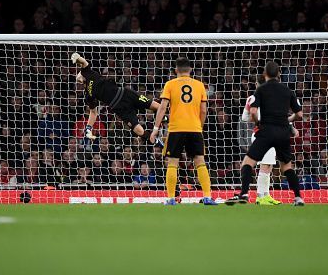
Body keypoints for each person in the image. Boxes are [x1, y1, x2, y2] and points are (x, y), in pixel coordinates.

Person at [225, 61, 305, 206]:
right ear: (279, 74)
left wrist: (257, 123)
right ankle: (298, 197)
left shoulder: (260, 90)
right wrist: (288, 121)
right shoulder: (287, 90)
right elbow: (299, 114)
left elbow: (253, 112)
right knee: (286, 167)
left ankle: (244, 193)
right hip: (282, 132)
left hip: (266, 131)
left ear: (265, 74)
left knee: (248, 163)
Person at [150, 56, 217, 205]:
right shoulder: (200, 85)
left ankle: (171, 198)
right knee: (200, 161)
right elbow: (204, 110)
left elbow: (162, 108)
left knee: (172, 162)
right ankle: (207, 196)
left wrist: (155, 129)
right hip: (194, 129)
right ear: (191, 70)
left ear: (176, 70)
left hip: (175, 129)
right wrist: (199, 127)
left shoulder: (170, 84)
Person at [70, 52, 164, 147]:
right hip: (118, 107)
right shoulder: (88, 96)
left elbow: (84, 62)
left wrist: (77, 58)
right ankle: (154, 139)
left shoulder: (89, 74)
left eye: (78, 74)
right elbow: (93, 113)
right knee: (138, 131)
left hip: (125, 94)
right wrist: (88, 128)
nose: (77, 77)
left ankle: (167, 118)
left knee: (157, 106)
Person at [241, 75, 299, 205]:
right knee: (265, 166)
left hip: (267, 133)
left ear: (257, 84)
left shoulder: (253, 97)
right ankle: (261, 196)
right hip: (263, 134)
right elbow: (280, 117)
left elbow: (245, 118)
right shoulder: (270, 97)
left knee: (268, 166)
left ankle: (265, 194)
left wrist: (258, 120)